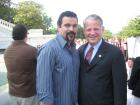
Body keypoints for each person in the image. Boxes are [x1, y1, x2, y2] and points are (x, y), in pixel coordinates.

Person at [78, 14, 127, 105]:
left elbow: (120, 87)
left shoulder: (115, 53)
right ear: (84, 31)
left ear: (102, 29)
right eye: (88, 29)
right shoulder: (80, 51)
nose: (92, 33)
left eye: (96, 29)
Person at [36, 11, 80, 105]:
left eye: (75, 26)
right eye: (67, 25)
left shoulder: (75, 51)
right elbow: (44, 92)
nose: (71, 29)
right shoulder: (49, 49)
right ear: (59, 27)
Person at [4, 24, 39, 105]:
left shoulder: (7, 51)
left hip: (12, 93)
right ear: (25, 35)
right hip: (28, 94)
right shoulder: (32, 50)